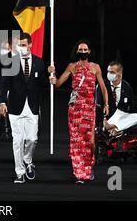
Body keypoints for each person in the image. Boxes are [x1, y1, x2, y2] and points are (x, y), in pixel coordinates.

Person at [49, 39, 109, 184]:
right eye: (80, 49)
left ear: (89, 52)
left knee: (89, 141)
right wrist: (52, 74)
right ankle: (80, 174)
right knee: (76, 142)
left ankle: (89, 167)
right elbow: (57, 84)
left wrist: (106, 104)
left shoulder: (95, 67)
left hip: (89, 107)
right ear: (77, 51)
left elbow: (103, 87)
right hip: (75, 108)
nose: (82, 52)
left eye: (85, 49)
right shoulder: (72, 67)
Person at [0, 32, 48, 184]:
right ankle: (19, 172)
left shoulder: (40, 62)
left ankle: (28, 160)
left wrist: (51, 76)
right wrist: (2, 102)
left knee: (32, 139)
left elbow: (44, 84)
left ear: (30, 45)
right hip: (14, 106)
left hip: (32, 106)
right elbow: (4, 83)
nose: (21, 48)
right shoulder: (10, 61)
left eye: (24, 45)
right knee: (17, 141)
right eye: (19, 45)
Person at [101, 61, 137, 137]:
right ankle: (114, 129)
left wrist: (130, 118)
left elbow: (131, 107)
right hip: (108, 117)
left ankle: (115, 129)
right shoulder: (102, 85)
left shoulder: (127, 87)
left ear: (120, 73)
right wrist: (103, 119)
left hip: (121, 116)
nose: (109, 74)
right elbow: (97, 105)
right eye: (108, 72)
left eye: (112, 72)